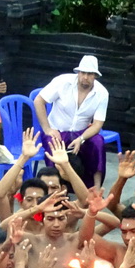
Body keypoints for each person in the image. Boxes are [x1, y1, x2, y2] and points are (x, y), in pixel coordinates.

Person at [34, 55, 110, 188]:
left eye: (90, 74)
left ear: (95, 76)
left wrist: (81, 139)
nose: (85, 77)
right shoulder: (62, 82)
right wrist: (47, 129)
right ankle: (56, 188)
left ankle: (96, 188)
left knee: (98, 142)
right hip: (57, 129)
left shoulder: (102, 93)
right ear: (78, 72)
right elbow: (39, 101)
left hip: (81, 131)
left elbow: (97, 124)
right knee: (54, 146)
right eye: (83, 73)